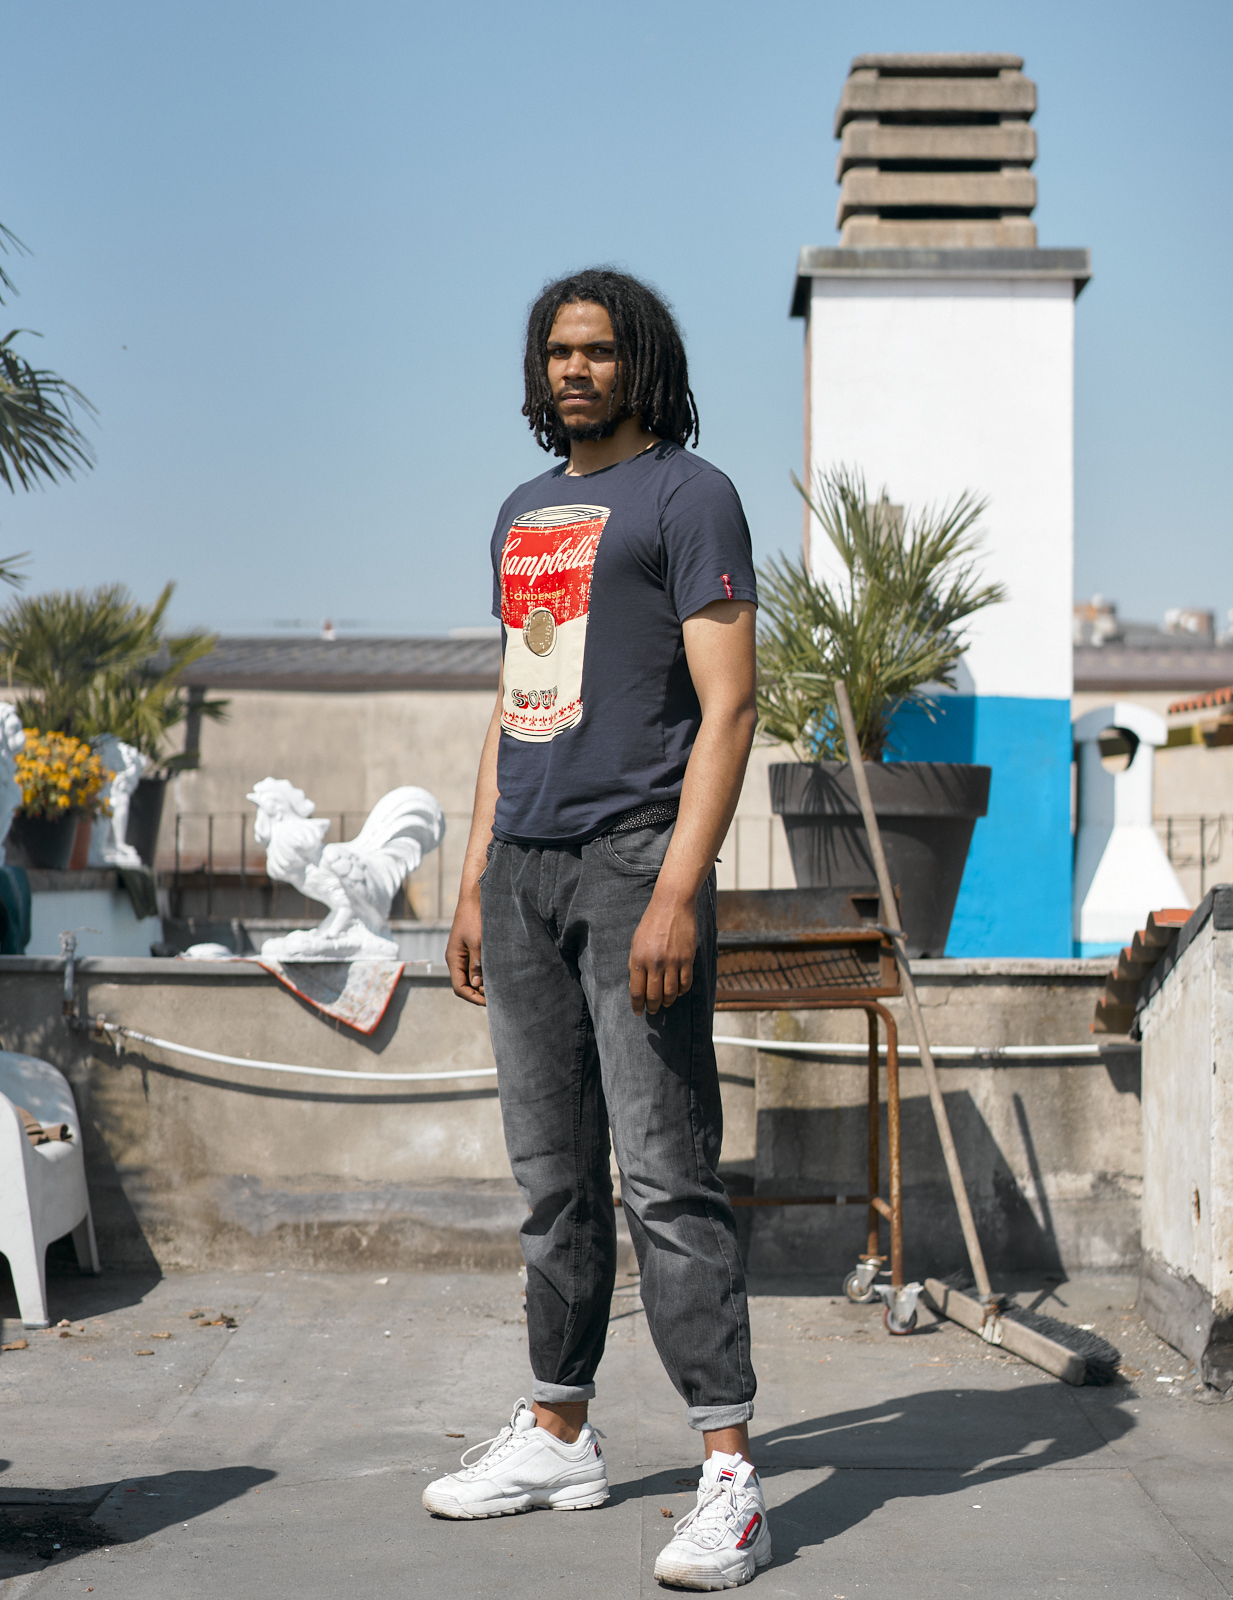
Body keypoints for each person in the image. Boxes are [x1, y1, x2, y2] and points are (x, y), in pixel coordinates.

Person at [423, 268, 769, 1588]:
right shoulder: (524, 513)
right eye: (559, 353)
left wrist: (681, 887)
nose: (576, 370)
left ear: (641, 363)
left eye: (599, 351)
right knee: (554, 1174)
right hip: (524, 869)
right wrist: (471, 877)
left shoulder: (691, 495)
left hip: (635, 864)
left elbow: (728, 707)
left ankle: (731, 1473)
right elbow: (514, 699)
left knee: (666, 1168)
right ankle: (560, 1427)